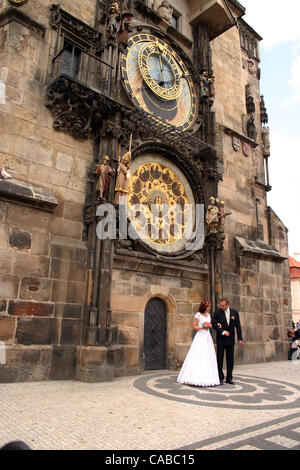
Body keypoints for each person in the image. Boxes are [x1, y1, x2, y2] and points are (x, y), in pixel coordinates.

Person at [177, 300, 220, 387]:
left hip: (207, 337)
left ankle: (208, 377)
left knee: (207, 355)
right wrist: (202, 327)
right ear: (205, 307)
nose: (210, 308)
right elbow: (194, 326)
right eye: (209, 307)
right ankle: (193, 376)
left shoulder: (209, 315)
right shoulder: (198, 315)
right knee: (198, 354)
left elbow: (210, 324)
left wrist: (213, 325)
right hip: (200, 335)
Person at [212, 298, 243, 385]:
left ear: (227, 305)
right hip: (221, 339)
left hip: (230, 339)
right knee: (220, 358)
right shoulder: (217, 312)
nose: (221, 307)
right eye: (220, 305)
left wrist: (240, 338)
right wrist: (222, 331)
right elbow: (214, 323)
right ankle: (220, 377)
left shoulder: (234, 313)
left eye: (223, 305)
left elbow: (238, 326)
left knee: (230, 359)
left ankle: (229, 378)